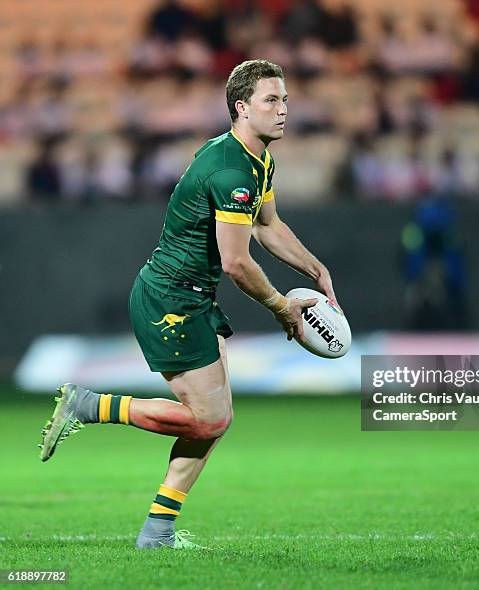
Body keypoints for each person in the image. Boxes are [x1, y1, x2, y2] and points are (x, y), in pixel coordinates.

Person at [38, 60, 337, 550]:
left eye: (285, 100)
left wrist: (315, 269)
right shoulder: (230, 170)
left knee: (214, 420)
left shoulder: (256, 159)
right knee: (210, 419)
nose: (284, 110)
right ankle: (88, 405)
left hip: (192, 296)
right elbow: (237, 263)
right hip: (170, 298)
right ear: (241, 107)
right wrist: (282, 307)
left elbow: (267, 226)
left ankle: (157, 532)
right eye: (271, 100)